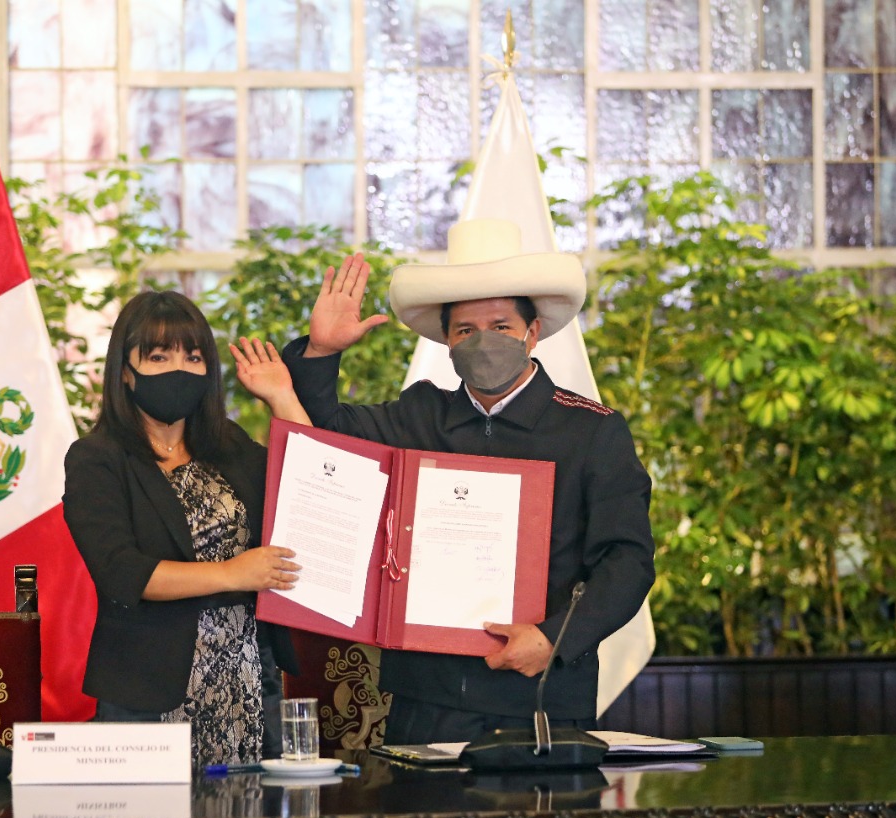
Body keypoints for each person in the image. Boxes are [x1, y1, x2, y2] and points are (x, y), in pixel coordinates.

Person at [280, 218, 655, 744]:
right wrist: (322, 351)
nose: (483, 342)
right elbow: (327, 436)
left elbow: (628, 560)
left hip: (539, 695)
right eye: (465, 331)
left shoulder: (591, 430)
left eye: (501, 326)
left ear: (532, 333)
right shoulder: (419, 414)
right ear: (448, 343)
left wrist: (552, 639)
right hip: (425, 698)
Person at [63, 290, 310, 767]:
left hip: (248, 683)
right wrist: (234, 573)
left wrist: (282, 396)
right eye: (160, 356)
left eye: (194, 357)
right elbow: (121, 573)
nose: (180, 369)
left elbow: (310, 482)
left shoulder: (230, 447)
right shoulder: (97, 459)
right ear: (125, 371)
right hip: (147, 693)